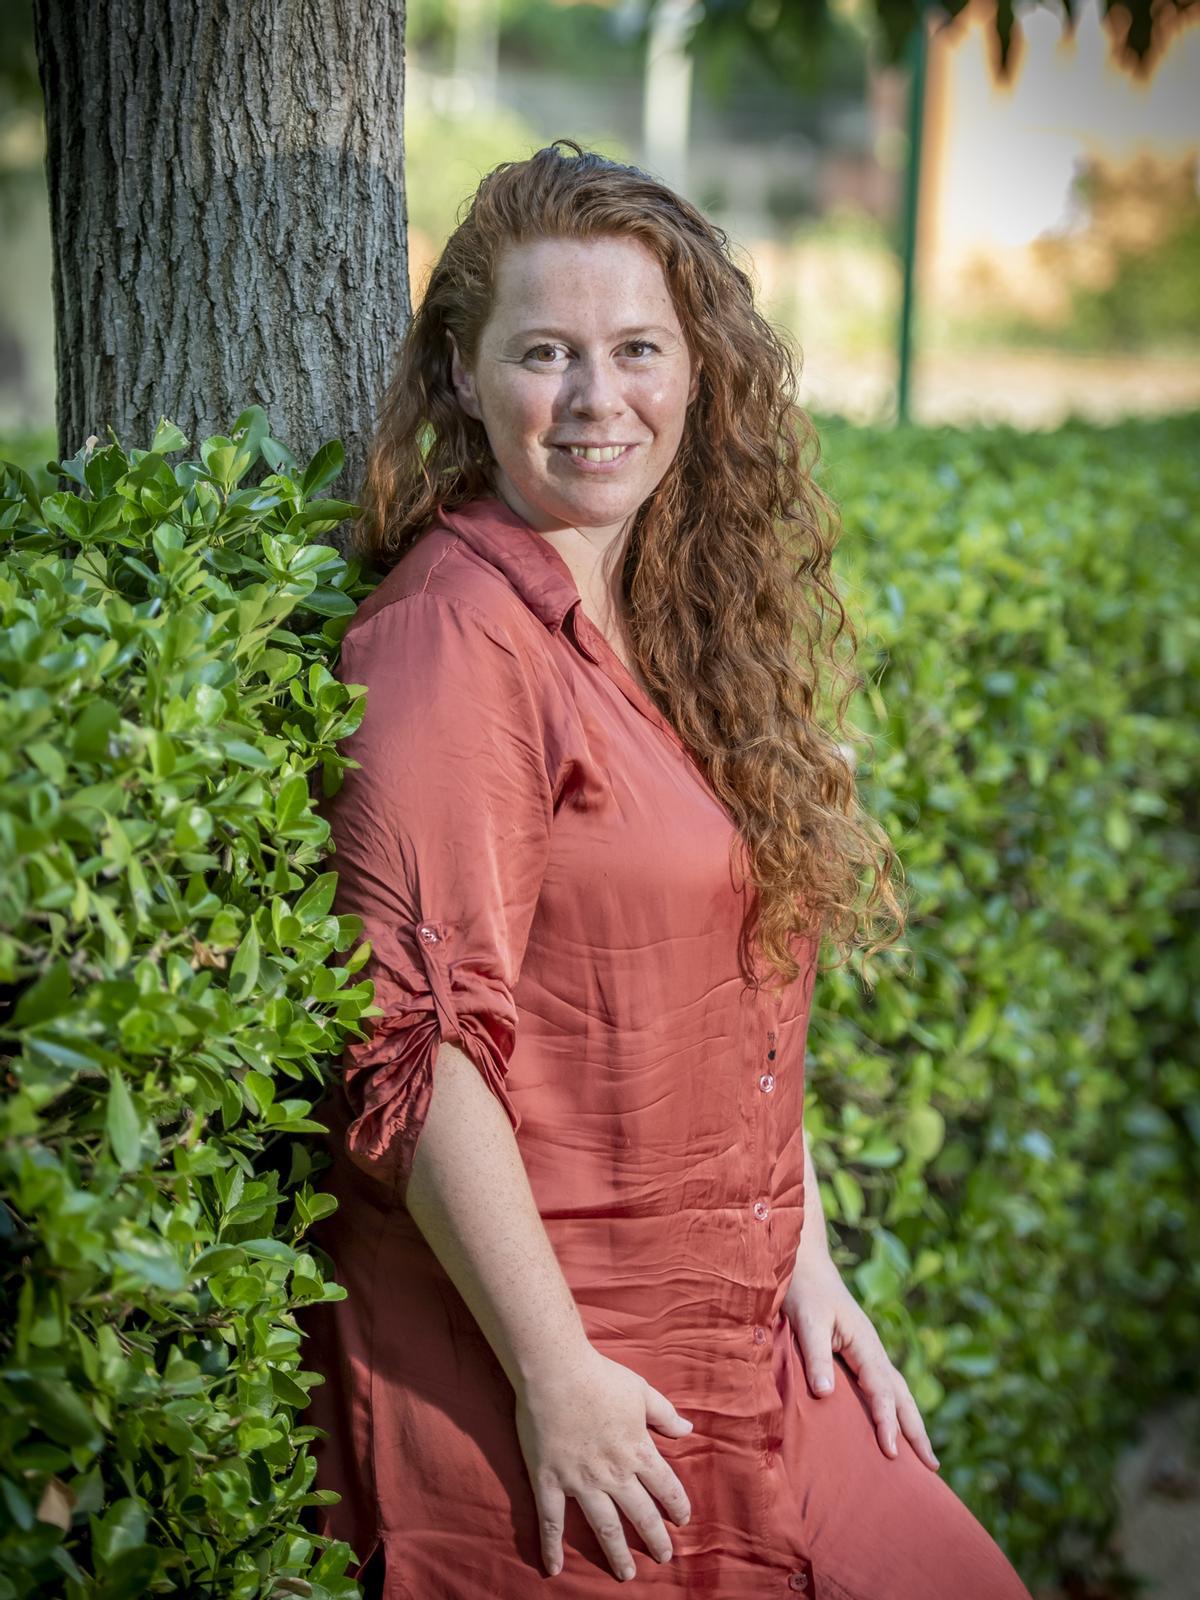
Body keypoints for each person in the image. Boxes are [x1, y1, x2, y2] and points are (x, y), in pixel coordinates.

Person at [296, 139, 1034, 1600]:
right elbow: (416, 1054)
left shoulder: (671, 626)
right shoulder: (453, 642)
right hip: (566, 1379)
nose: (595, 400)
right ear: (461, 375)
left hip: (746, 1330)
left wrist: (807, 1258)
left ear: (697, 372)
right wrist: (557, 1375)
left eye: (638, 349)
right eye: (545, 354)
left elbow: (734, 988)